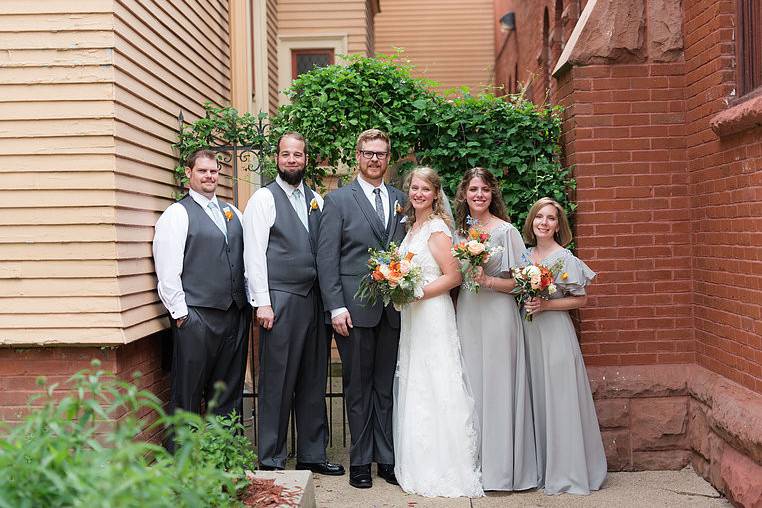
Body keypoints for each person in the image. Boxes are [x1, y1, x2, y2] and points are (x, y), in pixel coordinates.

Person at [242, 132, 343, 476]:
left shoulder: (317, 199)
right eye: (286, 154)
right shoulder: (263, 199)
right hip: (281, 300)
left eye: (297, 155)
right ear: (277, 159)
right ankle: (271, 457)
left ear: (306, 159)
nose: (291, 160)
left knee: (314, 380)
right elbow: (253, 254)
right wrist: (262, 303)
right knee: (277, 380)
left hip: (315, 301)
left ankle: (312, 454)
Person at [317, 129, 407, 489]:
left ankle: (386, 458)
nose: (375, 159)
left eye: (381, 154)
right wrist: (335, 307)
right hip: (353, 312)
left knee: (385, 387)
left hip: (392, 310)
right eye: (369, 153)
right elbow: (327, 258)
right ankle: (360, 460)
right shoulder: (338, 200)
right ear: (357, 156)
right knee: (357, 387)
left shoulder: (401, 199)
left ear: (388, 158)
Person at [393, 166, 483, 498]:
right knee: (418, 382)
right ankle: (419, 460)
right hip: (414, 317)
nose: (418, 194)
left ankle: (446, 464)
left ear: (435, 194)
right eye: (414, 188)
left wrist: (416, 293)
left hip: (431, 313)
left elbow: (453, 276)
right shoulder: (410, 227)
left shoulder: (436, 229)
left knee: (438, 381)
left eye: (425, 190)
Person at [153, 149, 251, 449]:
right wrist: (181, 314)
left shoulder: (232, 213)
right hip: (197, 317)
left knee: (226, 392)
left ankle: (222, 456)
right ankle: (180, 460)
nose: (209, 176)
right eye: (203, 171)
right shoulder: (177, 214)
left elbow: (244, 262)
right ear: (189, 174)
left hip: (234, 314)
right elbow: (167, 268)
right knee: (188, 392)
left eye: (213, 171)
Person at [453, 168, 539, 491]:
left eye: (485, 190)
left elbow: (522, 283)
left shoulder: (507, 232)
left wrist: (489, 280)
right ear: (464, 193)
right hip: (469, 313)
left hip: (499, 314)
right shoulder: (459, 233)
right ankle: (474, 465)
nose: (479, 195)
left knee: (499, 386)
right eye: (473, 189)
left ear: (492, 194)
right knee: (471, 386)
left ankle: (502, 470)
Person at [521, 197, 607, 495]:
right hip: (529, 333)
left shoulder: (564, 258)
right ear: (532, 221)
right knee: (537, 397)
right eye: (539, 217)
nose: (544, 222)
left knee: (560, 399)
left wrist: (547, 304)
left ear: (559, 225)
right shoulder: (523, 255)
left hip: (555, 332)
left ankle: (568, 471)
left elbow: (581, 299)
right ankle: (543, 468)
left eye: (551, 218)